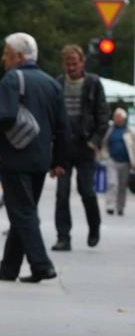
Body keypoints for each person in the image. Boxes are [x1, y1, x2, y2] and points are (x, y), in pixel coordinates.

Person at [0, 32, 69, 283]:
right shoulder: (52, 84)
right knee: (24, 211)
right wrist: (59, 161)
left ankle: (42, 265)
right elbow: (63, 127)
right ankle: (9, 267)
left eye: (6, 54)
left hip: (15, 157)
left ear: (20, 57)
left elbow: (6, 116)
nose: (3, 58)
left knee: (22, 212)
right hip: (40, 159)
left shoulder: (12, 79)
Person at [52, 44, 108, 251]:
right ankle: (63, 237)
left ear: (82, 62)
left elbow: (103, 115)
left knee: (86, 190)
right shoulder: (57, 83)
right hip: (64, 145)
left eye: (75, 63)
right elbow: (53, 114)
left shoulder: (93, 83)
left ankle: (94, 227)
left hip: (85, 145)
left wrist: (95, 140)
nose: (72, 67)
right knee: (61, 193)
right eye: (68, 64)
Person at [104, 107, 134, 216]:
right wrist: (104, 155)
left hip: (125, 162)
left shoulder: (129, 131)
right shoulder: (110, 129)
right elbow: (104, 143)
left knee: (122, 186)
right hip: (112, 160)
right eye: (115, 116)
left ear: (123, 119)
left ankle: (120, 207)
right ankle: (110, 206)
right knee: (112, 183)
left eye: (119, 117)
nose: (116, 118)